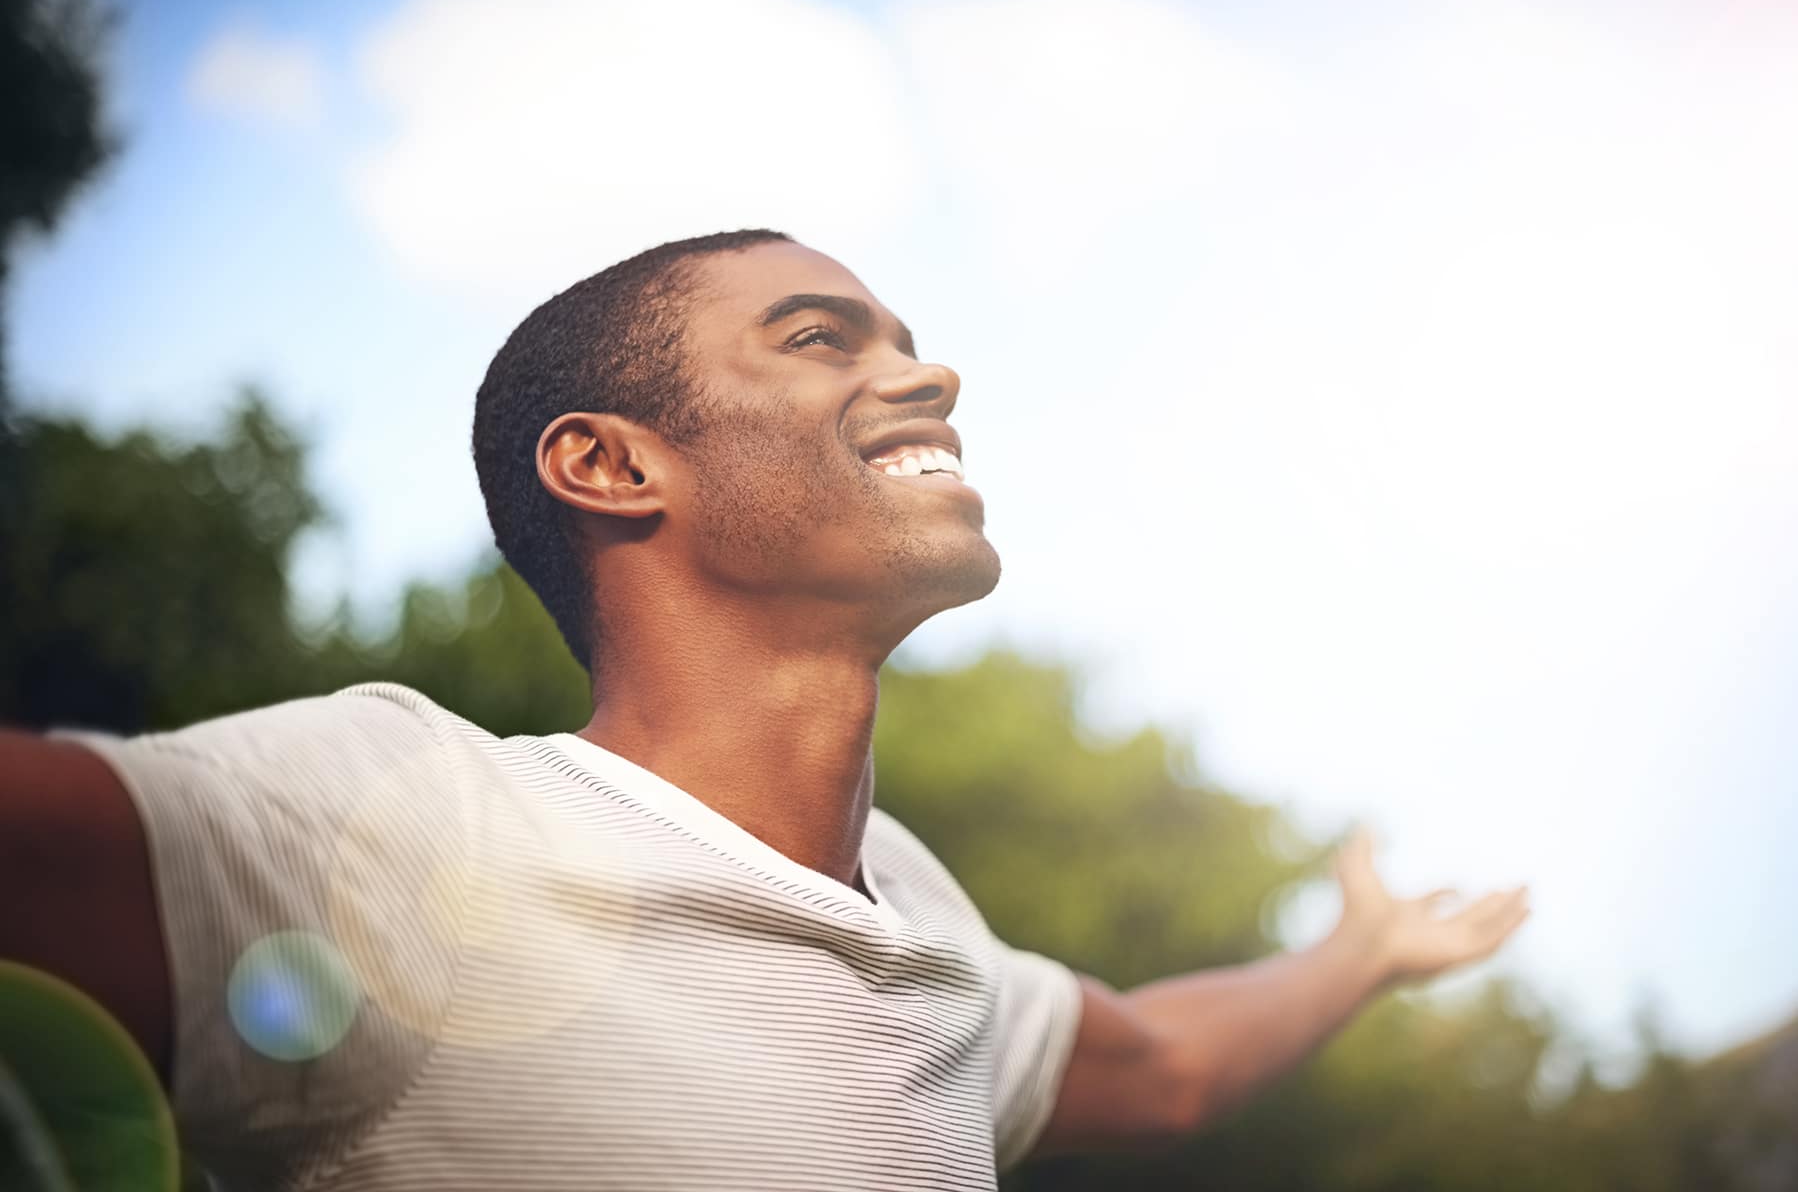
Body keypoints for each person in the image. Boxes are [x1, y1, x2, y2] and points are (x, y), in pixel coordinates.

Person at [0, 229, 1529, 1190]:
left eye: (903, 337)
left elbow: (1169, 1067)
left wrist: (1363, 954)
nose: (927, 375)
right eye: (820, 337)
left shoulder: (915, 915)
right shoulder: (409, 826)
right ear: (609, 465)